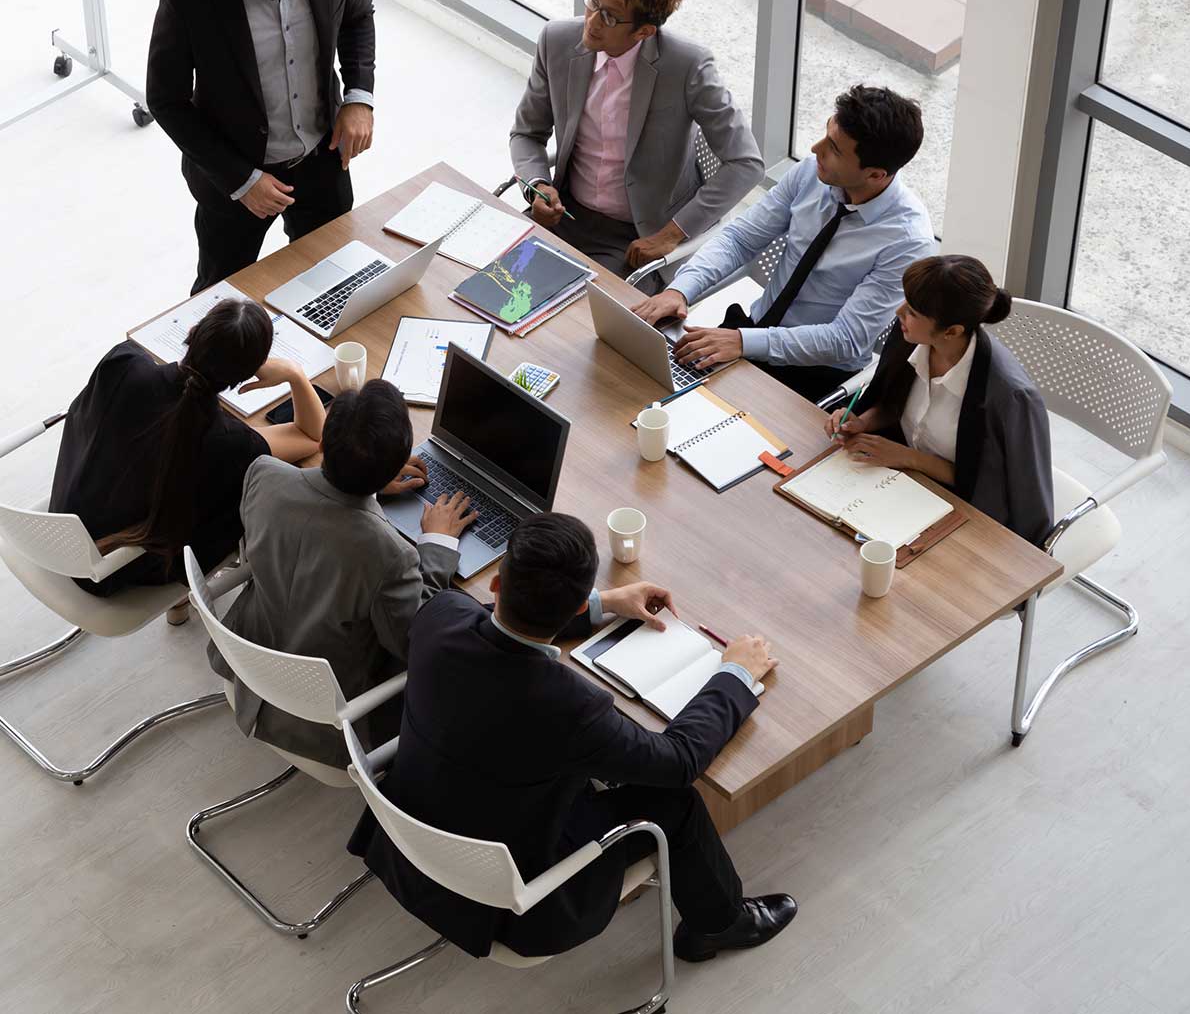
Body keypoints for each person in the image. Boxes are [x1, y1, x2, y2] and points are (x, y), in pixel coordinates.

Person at [348, 512, 796, 963]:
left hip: (408, 843)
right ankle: (720, 924)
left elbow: (486, 621)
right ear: (578, 604)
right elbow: (679, 761)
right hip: (516, 905)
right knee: (674, 803)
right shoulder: (571, 707)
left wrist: (606, 603)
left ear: (498, 584)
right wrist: (736, 674)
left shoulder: (440, 616)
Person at [207, 379, 478, 767]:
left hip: (248, 661)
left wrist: (365, 483)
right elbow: (414, 641)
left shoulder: (262, 475)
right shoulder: (390, 555)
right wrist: (436, 544)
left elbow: (309, 527)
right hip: (324, 721)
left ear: (321, 443)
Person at [147, 0, 376, 294]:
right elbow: (165, 99)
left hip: (322, 159)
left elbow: (357, 16)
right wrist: (241, 180)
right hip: (234, 179)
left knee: (332, 284)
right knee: (219, 302)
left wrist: (359, 97)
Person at [634, 84, 936, 403]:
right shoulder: (811, 173)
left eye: (834, 148)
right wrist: (681, 289)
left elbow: (846, 339)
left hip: (813, 373)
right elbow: (740, 239)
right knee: (644, 392)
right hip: (749, 333)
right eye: (825, 134)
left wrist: (744, 343)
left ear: (876, 175)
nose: (815, 149)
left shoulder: (909, 243)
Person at [509, 0, 764, 277]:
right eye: (593, 0)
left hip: (634, 239)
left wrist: (672, 234)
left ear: (644, 32)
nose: (592, 20)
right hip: (562, 215)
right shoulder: (555, 40)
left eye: (610, 16)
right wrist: (537, 185)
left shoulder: (688, 67)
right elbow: (527, 134)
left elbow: (746, 163)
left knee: (581, 322)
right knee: (486, 284)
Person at [49, 299, 325, 599]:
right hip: (109, 572)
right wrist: (295, 374)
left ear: (192, 332)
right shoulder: (232, 444)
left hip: (58, 530)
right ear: (246, 375)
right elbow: (312, 435)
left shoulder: (123, 364)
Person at [828, 254, 1054, 547]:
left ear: (952, 331)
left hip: (962, 510)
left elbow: (994, 484)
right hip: (899, 483)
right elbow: (892, 404)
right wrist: (861, 421)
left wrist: (908, 457)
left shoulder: (1009, 397)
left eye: (912, 311)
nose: (898, 313)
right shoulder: (911, 335)